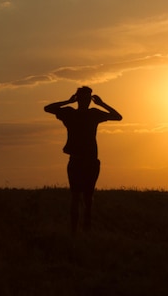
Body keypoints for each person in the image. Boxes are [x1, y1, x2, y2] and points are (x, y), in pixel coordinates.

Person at [44, 86, 122, 233]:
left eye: (88, 98)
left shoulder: (89, 114)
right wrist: (69, 101)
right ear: (78, 99)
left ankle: (85, 228)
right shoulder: (72, 113)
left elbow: (118, 117)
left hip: (90, 161)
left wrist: (100, 104)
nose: (86, 101)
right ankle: (75, 231)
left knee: (87, 198)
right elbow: (47, 108)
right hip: (77, 160)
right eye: (84, 98)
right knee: (76, 197)